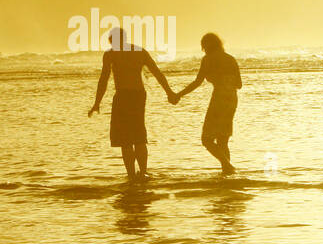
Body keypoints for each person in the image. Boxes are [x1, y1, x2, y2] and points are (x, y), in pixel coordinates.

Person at [88, 27, 177, 179]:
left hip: (123, 96)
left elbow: (104, 79)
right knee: (138, 135)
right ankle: (143, 172)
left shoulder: (111, 54)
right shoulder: (139, 51)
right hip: (138, 95)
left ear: (112, 40)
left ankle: (131, 175)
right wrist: (169, 92)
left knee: (125, 138)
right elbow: (157, 72)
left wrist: (97, 103)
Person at [172, 32, 241, 175]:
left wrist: (179, 94)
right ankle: (227, 174)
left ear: (206, 46)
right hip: (232, 99)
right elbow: (239, 84)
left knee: (207, 139)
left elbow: (197, 82)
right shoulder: (231, 59)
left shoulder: (208, 59)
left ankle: (227, 166)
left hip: (219, 98)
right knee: (223, 140)